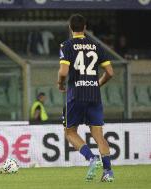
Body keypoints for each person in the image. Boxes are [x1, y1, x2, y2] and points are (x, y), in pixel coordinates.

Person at [57, 14, 114, 182]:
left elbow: (63, 72)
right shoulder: (97, 46)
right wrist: (97, 83)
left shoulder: (66, 45)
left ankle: (91, 158)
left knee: (70, 131)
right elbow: (110, 72)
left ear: (70, 27)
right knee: (98, 135)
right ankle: (108, 172)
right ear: (85, 27)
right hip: (94, 95)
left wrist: (60, 83)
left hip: (76, 94)